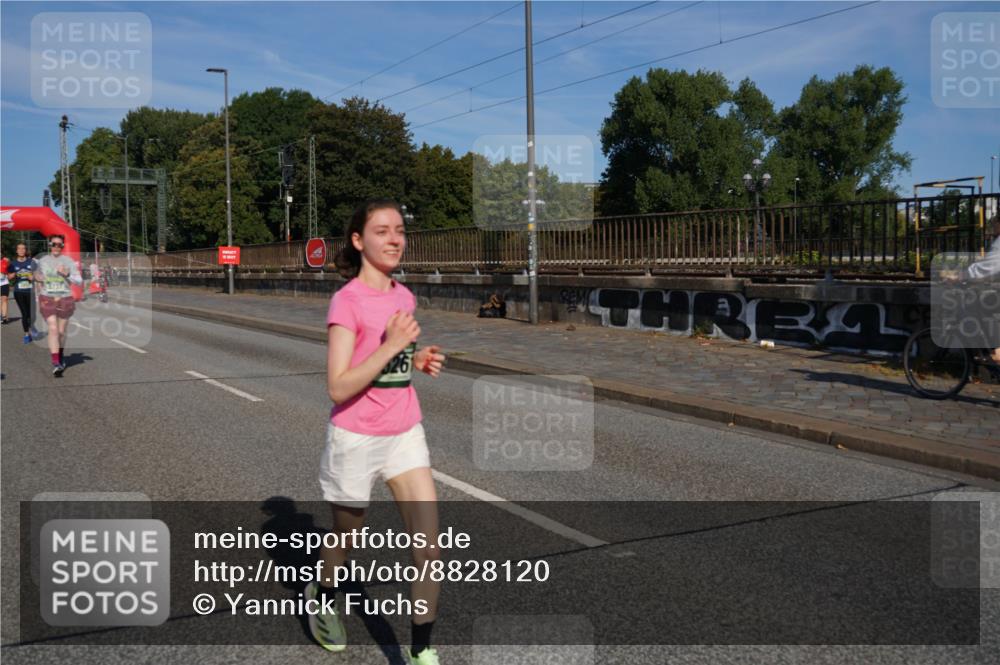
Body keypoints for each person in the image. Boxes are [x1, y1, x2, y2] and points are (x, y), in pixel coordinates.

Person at [306, 200, 446, 665]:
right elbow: (338, 385)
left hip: (405, 430)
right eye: (382, 231)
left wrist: (417, 358)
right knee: (347, 535)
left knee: (429, 546)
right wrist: (391, 347)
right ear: (358, 241)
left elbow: (393, 364)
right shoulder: (345, 301)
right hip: (356, 436)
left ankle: (422, 650)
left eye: (400, 231)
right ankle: (323, 592)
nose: (394, 239)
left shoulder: (403, 296)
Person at [34, 235, 81, 376]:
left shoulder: (69, 261)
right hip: (47, 297)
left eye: (59, 245)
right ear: (50, 245)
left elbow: (78, 281)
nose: (56, 247)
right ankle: (56, 362)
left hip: (65, 298)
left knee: (61, 332)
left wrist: (67, 275)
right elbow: (36, 275)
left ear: (63, 246)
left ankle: (60, 354)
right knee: (53, 328)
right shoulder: (42, 261)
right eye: (54, 244)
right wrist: (37, 277)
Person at [7, 243, 39, 344]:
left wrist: (32, 277)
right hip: (19, 292)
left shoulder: (32, 262)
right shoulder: (13, 264)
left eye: (23, 249)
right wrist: (15, 274)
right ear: (16, 251)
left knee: (32, 314)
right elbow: (8, 277)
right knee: (25, 314)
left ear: (25, 251)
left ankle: (32, 327)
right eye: (19, 249)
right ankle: (26, 334)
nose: (21, 250)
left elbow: (38, 275)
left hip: (30, 291)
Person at [0, 255, 9, 324]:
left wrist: (8, 261)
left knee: (4, 299)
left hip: (4, 282)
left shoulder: (5, 261)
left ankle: (4, 317)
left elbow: (11, 267)